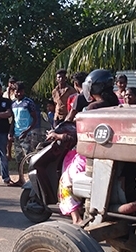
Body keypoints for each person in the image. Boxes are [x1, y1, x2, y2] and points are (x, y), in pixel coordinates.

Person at [49, 69, 119, 224]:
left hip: (90, 153)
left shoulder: (92, 108)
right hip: (111, 153)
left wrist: (58, 135)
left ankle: (77, 219)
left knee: (65, 181)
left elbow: (78, 135)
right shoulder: (116, 104)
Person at [10, 81, 41, 169]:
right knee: (18, 158)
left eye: (21, 91)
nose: (19, 93)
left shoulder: (28, 102)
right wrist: (10, 132)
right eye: (17, 91)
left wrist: (27, 131)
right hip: (17, 134)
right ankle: (20, 179)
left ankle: (32, 178)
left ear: (23, 91)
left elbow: (35, 119)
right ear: (14, 92)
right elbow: (13, 120)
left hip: (27, 134)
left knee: (29, 157)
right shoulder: (13, 104)